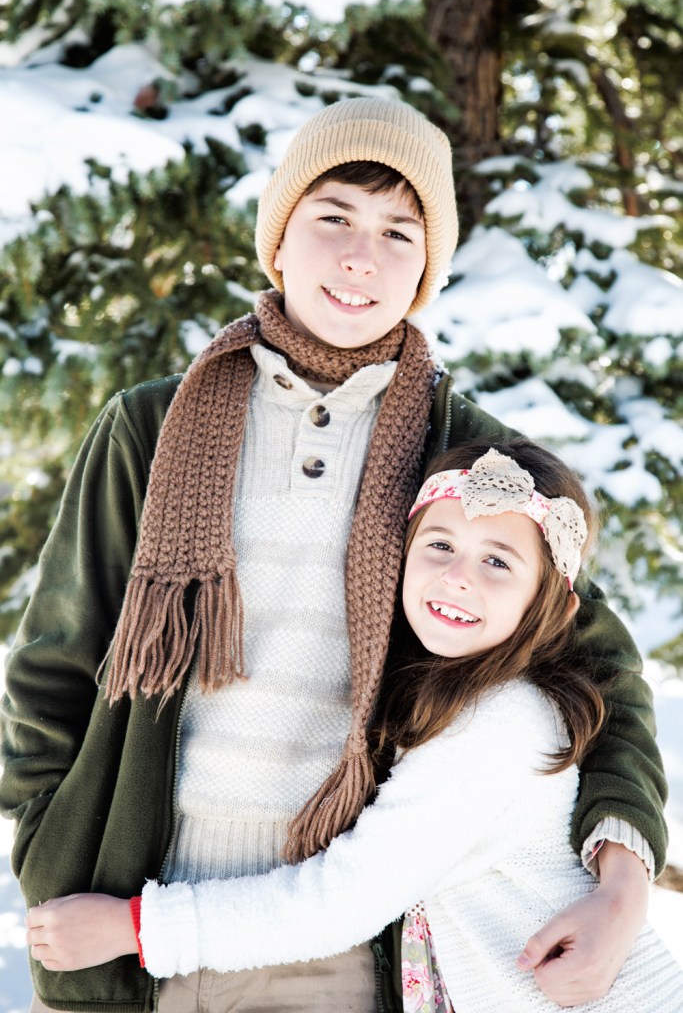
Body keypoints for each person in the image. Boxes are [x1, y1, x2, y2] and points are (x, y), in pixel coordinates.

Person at [0, 97, 667, 1013]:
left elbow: (602, 676)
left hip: (332, 930)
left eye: (399, 232)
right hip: (122, 912)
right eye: (333, 217)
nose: (362, 256)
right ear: (278, 238)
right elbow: (53, 664)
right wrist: (52, 845)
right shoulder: (148, 426)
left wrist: (624, 884)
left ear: (426, 269)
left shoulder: (468, 460)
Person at [22, 440, 683, 1013]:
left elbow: (341, 899)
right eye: (440, 545)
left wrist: (136, 928)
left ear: (554, 606)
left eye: (497, 562)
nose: (457, 577)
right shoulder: (458, 695)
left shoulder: (495, 725)